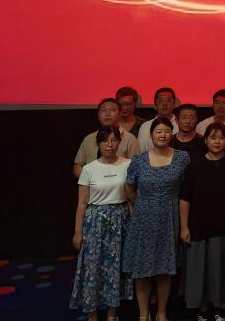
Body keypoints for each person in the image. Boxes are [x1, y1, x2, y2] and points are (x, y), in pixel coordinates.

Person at [123, 117, 191, 321]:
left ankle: (162, 312)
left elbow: (188, 189)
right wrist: (141, 204)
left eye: (167, 131)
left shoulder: (182, 157)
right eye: (158, 131)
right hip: (143, 219)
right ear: (151, 135)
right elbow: (129, 188)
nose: (163, 135)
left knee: (164, 268)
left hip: (170, 218)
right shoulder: (139, 160)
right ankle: (143, 314)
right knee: (142, 269)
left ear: (172, 134)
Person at [180, 123, 225, 321]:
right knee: (199, 270)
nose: (217, 142)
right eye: (213, 137)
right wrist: (184, 226)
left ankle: (220, 309)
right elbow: (185, 199)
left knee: (222, 270)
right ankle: (202, 310)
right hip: (198, 226)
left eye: (221, 138)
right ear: (206, 140)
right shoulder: (194, 166)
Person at [70, 126, 133, 321]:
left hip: (121, 219)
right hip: (95, 221)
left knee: (116, 266)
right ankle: (92, 313)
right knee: (92, 266)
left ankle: (112, 313)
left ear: (119, 142)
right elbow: (82, 203)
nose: (110, 144)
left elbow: (132, 198)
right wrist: (78, 232)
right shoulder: (89, 169)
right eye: (105, 141)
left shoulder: (129, 164)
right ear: (98, 143)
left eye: (114, 140)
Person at [74, 97, 141, 178]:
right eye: (103, 110)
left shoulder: (130, 139)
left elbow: (137, 167)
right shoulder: (89, 138)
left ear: (120, 114)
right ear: (98, 114)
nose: (107, 114)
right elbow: (78, 165)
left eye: (112, 110)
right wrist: (89, 180)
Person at [137, 87, 180, 152]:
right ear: (155, 105)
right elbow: (141, 153)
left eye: (168, 100)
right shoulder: (145, 127)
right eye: (160, 101)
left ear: (174, 104)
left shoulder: (181, 125)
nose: (164, 104)